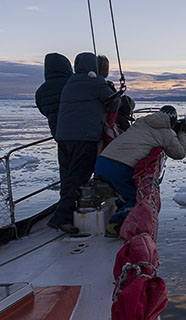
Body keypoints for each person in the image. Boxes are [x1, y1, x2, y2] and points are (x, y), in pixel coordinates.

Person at [50, 52, 119, 234]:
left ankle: (65, 210)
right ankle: (62, 217)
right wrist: (111, 89)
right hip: (84, 137)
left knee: (67, 176)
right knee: (79, 176)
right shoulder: (95, 83)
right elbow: (114, 103)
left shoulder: (71, 82)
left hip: (64, 137)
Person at [94, 105, 186, 237]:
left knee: (124, 192)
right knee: (139, 199)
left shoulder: (141, 123)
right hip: (119, 168)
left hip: (102, 162)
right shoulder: (166, 133)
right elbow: (179, 153)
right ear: (172, 121)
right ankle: (116, 225)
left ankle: (118, 209)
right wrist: (182, 134)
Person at [35, 53, 73, 137]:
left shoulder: (41, 91)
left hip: (58, 134)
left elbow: (43, 111)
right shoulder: (72, 84)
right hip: (80, 133)